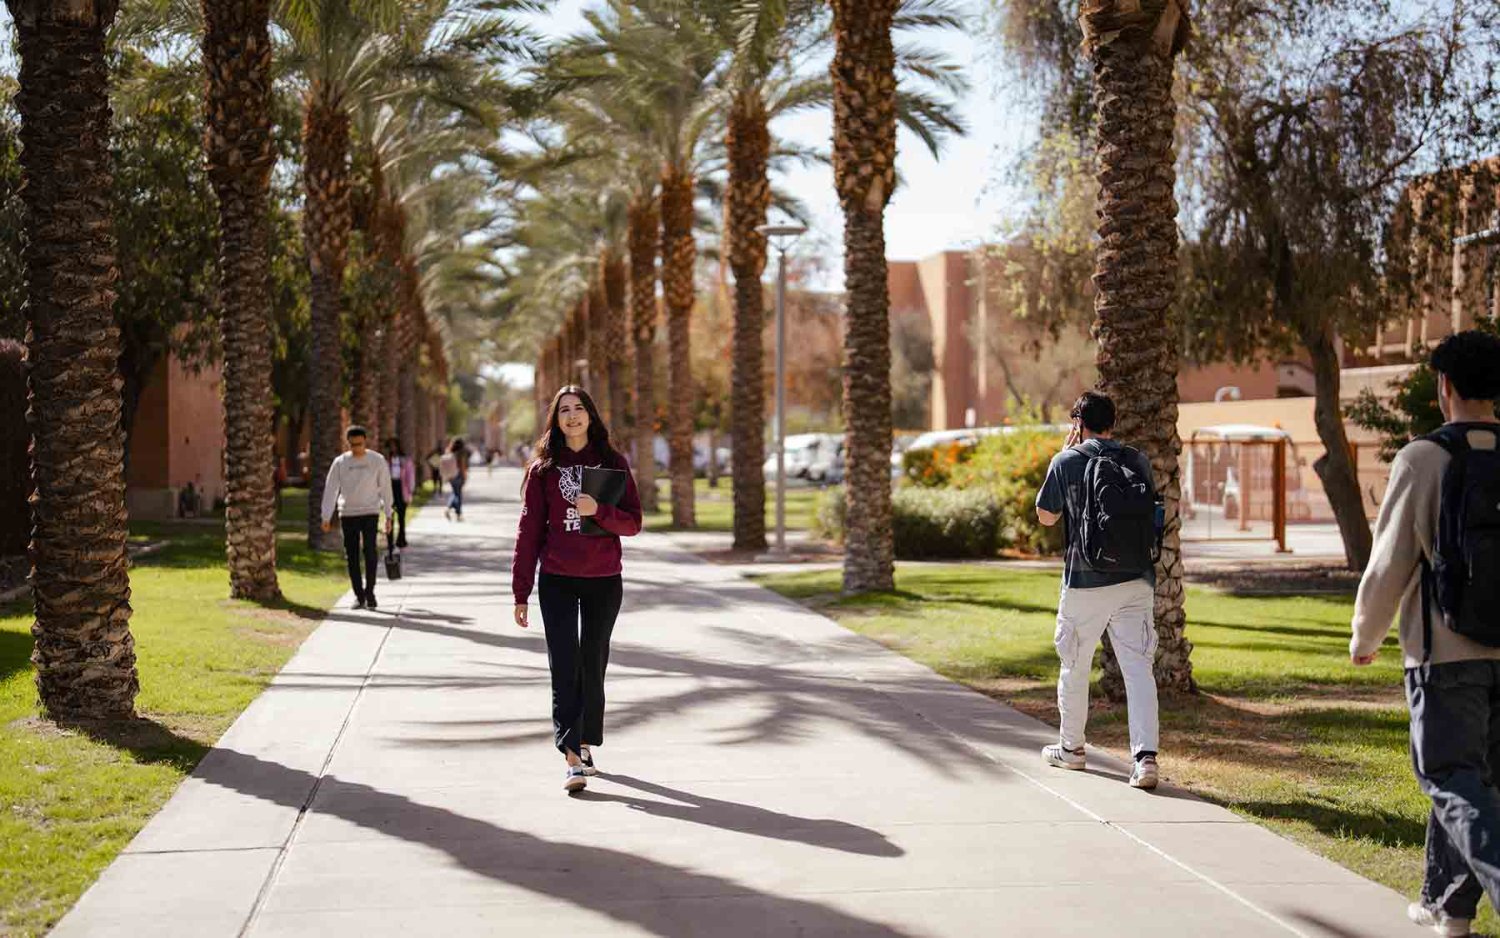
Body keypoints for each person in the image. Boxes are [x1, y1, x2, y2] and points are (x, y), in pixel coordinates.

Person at [1351, 329, 1500, 938]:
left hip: (1446, 654)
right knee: (1475, 779)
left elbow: (1391, 560)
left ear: (1444, 386)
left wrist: (1367, 633)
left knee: (1448, 775)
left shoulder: (1424, 458)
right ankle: (1448, 911)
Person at [511, 385, 642, 793]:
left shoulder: (611, 462)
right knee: (564, 664)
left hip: (604, 579)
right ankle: (571, 758)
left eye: (579, 408)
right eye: (564, 410)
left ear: (591, 415)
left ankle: (585, 743)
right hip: (558, 579)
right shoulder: (543, 469)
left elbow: (633, 523)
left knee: (593, 663)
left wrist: (598, 511)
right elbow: (528, 532)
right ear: (555, 418)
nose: (572, 416)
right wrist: (520, 591)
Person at [1035, 390, 1162, 790]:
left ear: (1078, 423)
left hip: (1085, 582)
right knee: (1138, 668)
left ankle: (1071, 750)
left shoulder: (1067, 461)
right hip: (1136, 581)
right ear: (1112, 422)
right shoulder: (1137, 460)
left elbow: (1045, 517)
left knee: (1074, 662)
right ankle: (1145, 760)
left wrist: (1062, 454)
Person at [320, 425, 394, 610]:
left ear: (365, 441)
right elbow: (331, 489)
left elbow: (385, 488)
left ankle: (370, 593)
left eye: (359, 444)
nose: (356, 448)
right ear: (348, 443)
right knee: (351, 556)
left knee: (370, 552)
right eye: (352, 445)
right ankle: (358, 595)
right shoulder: (340, 462)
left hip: (370, 512)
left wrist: (389, 515)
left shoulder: (377, 460)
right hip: (348, 514)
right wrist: (326, 516)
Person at [386, 437, 416, 548]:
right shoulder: (386, 461)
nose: (393, 448)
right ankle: (389, 541)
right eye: (390, 446)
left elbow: (410, 477)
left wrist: (410, 491)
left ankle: (401, 539)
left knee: (401, 517)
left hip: (401, 490)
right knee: (390, 516)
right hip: (390, 490)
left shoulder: (405, 461)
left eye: (394, 445)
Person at [442, 436, 468, 521]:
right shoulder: (461, 453)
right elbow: (462, 466)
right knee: (458, 494)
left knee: (455, 493)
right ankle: (456, 513)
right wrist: (465, 476)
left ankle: (454, 512)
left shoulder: (449, 452)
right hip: (458, 475)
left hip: (450, 475)